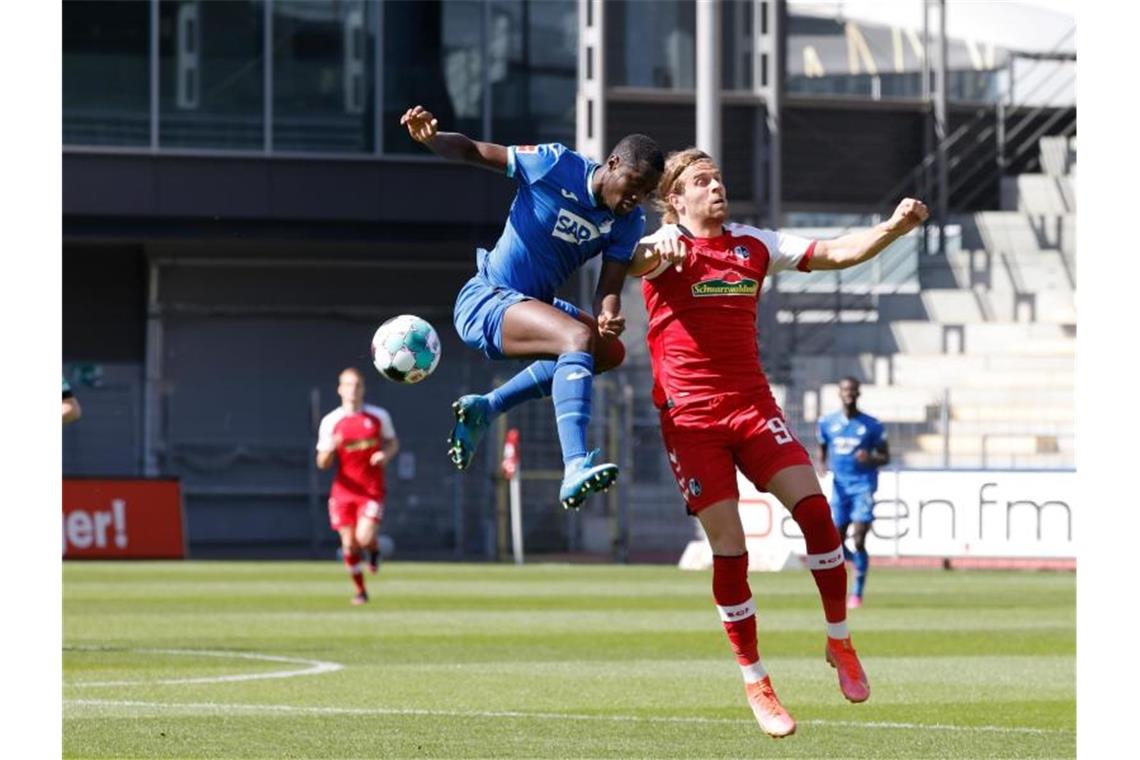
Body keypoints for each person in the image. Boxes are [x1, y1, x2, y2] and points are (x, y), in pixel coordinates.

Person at [628, 147, 927, 738]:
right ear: (675, 199)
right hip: (691, 421)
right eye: (699, 181)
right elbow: (627, 261)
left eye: (717, 177)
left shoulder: (753, 244)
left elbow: (837, 253)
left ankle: (839, 641)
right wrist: (642, 248)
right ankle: (756, 679)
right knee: (731, 545)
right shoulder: (663, 250)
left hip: (753, 407)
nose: (715, 186)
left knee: (817, 514)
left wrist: (893, 229)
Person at [400, 105, 663, 509]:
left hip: (531, 304)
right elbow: (472, 151)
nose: (635, 198)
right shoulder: (554, 164)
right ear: (612, 163)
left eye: (645, 192)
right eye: (633, 184)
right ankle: (575, 465)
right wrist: (431, 138)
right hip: (485, 298)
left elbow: (608, 286)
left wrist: (609, 312)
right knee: (575, 338)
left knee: (608, 351)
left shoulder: (629, 223)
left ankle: (486, 408)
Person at [316, 367, 399, 605]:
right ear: (340, 389)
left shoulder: (378, 417)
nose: (353, 390)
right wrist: (331, 448)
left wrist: (385, 455)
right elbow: (321, 463)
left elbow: (393, 443)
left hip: (371, 489)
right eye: (348, 385)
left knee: (363, 538)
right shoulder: (331, 422)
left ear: (363, 389)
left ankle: (373, 550)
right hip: (343, 491)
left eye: (357, 385)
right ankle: (360, 591)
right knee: (349, 545)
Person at [816, 377, 889, 609]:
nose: (849, 394)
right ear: (839, 393)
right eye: (845, 390)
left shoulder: (872, 425)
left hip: (863, 486)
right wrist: (822, 465)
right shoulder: (827, 423)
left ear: (858, 393)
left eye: (853, 390)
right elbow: (823, 448)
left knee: (858, 538)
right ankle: (854, 567)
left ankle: (857, 593)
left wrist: (871, 458)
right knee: (835, 539)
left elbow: (885, 456)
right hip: (840, 488)